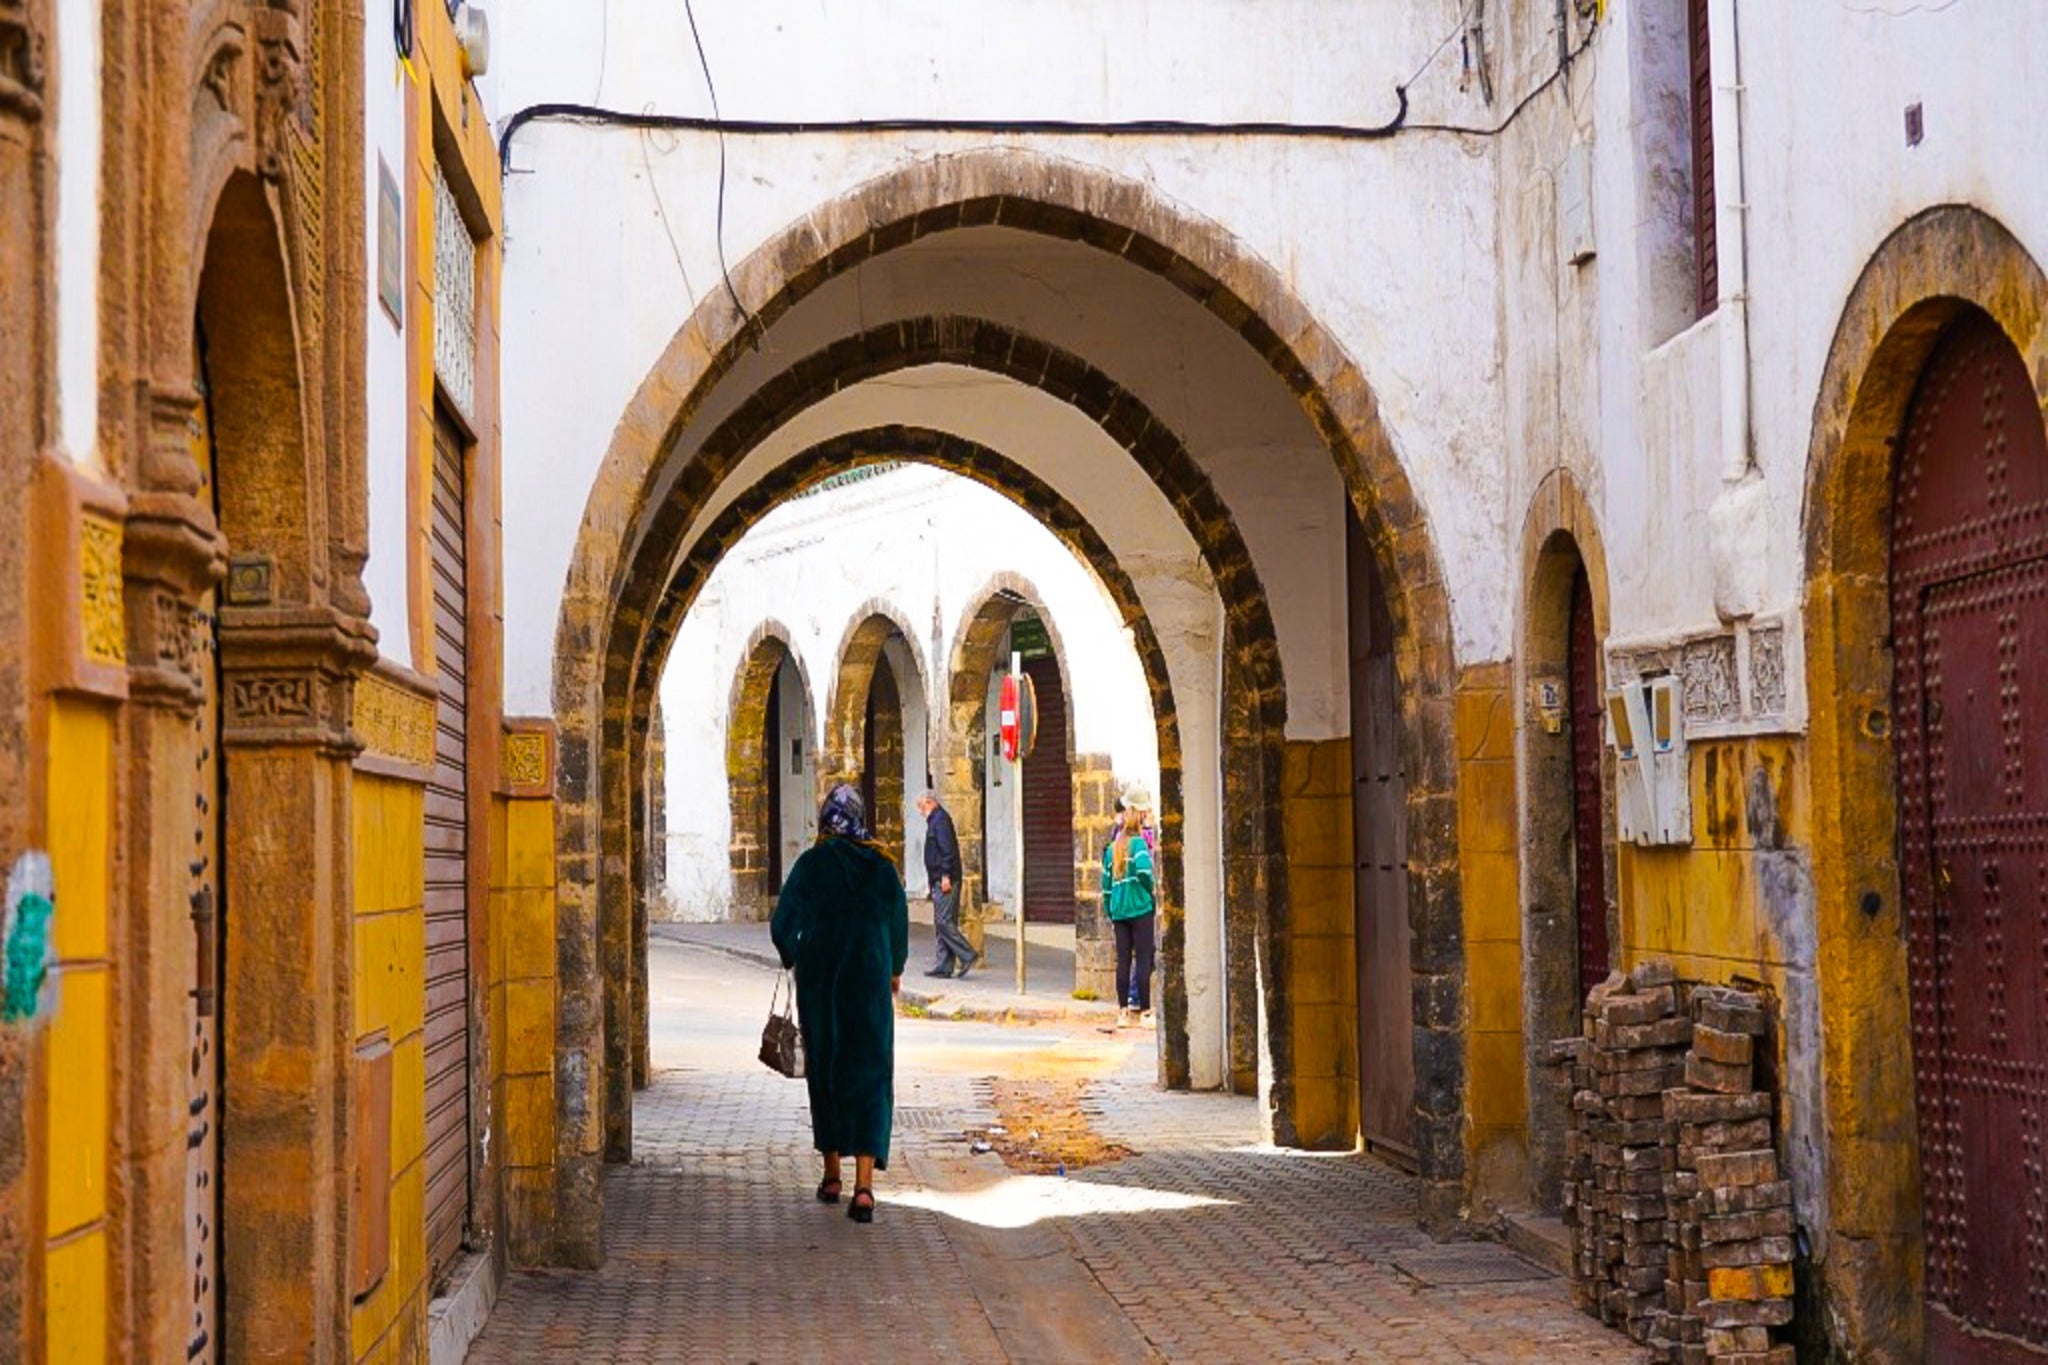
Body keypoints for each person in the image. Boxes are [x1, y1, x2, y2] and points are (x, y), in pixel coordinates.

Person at [770, 784, 909, 1224]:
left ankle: (831, 1175)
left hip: (821, 986)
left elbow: (780, 925)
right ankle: (864, 1187)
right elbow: (899, 932)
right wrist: (893, 968)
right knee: (870, 1076)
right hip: (868, 985)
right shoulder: (884, 870)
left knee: (827, 1072)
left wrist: (797, 955)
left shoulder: (811, 866)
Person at [1101, 782, 1158, 1028]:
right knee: (1143, 958)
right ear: (1140, 813)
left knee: (1123, 960)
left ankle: (1122, 1012)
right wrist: (1151, 893)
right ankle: (1145, 1012)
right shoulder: (1138, 845)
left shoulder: (1113, 848)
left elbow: (1105, 886)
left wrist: (1110, 909)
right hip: (1140, 909)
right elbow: (1146, 873)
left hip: (1119, 911)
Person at [917, 790, 977, 978]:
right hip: (938, 879)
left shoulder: (940, 820)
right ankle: (944, 964)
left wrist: (945, 876)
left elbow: (947, 850)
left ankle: (967, 954)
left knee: (943, 922)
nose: (920, 811)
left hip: (945, 880)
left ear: (929, 802)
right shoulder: (936, 820)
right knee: (942, 921)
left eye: (921, 807)